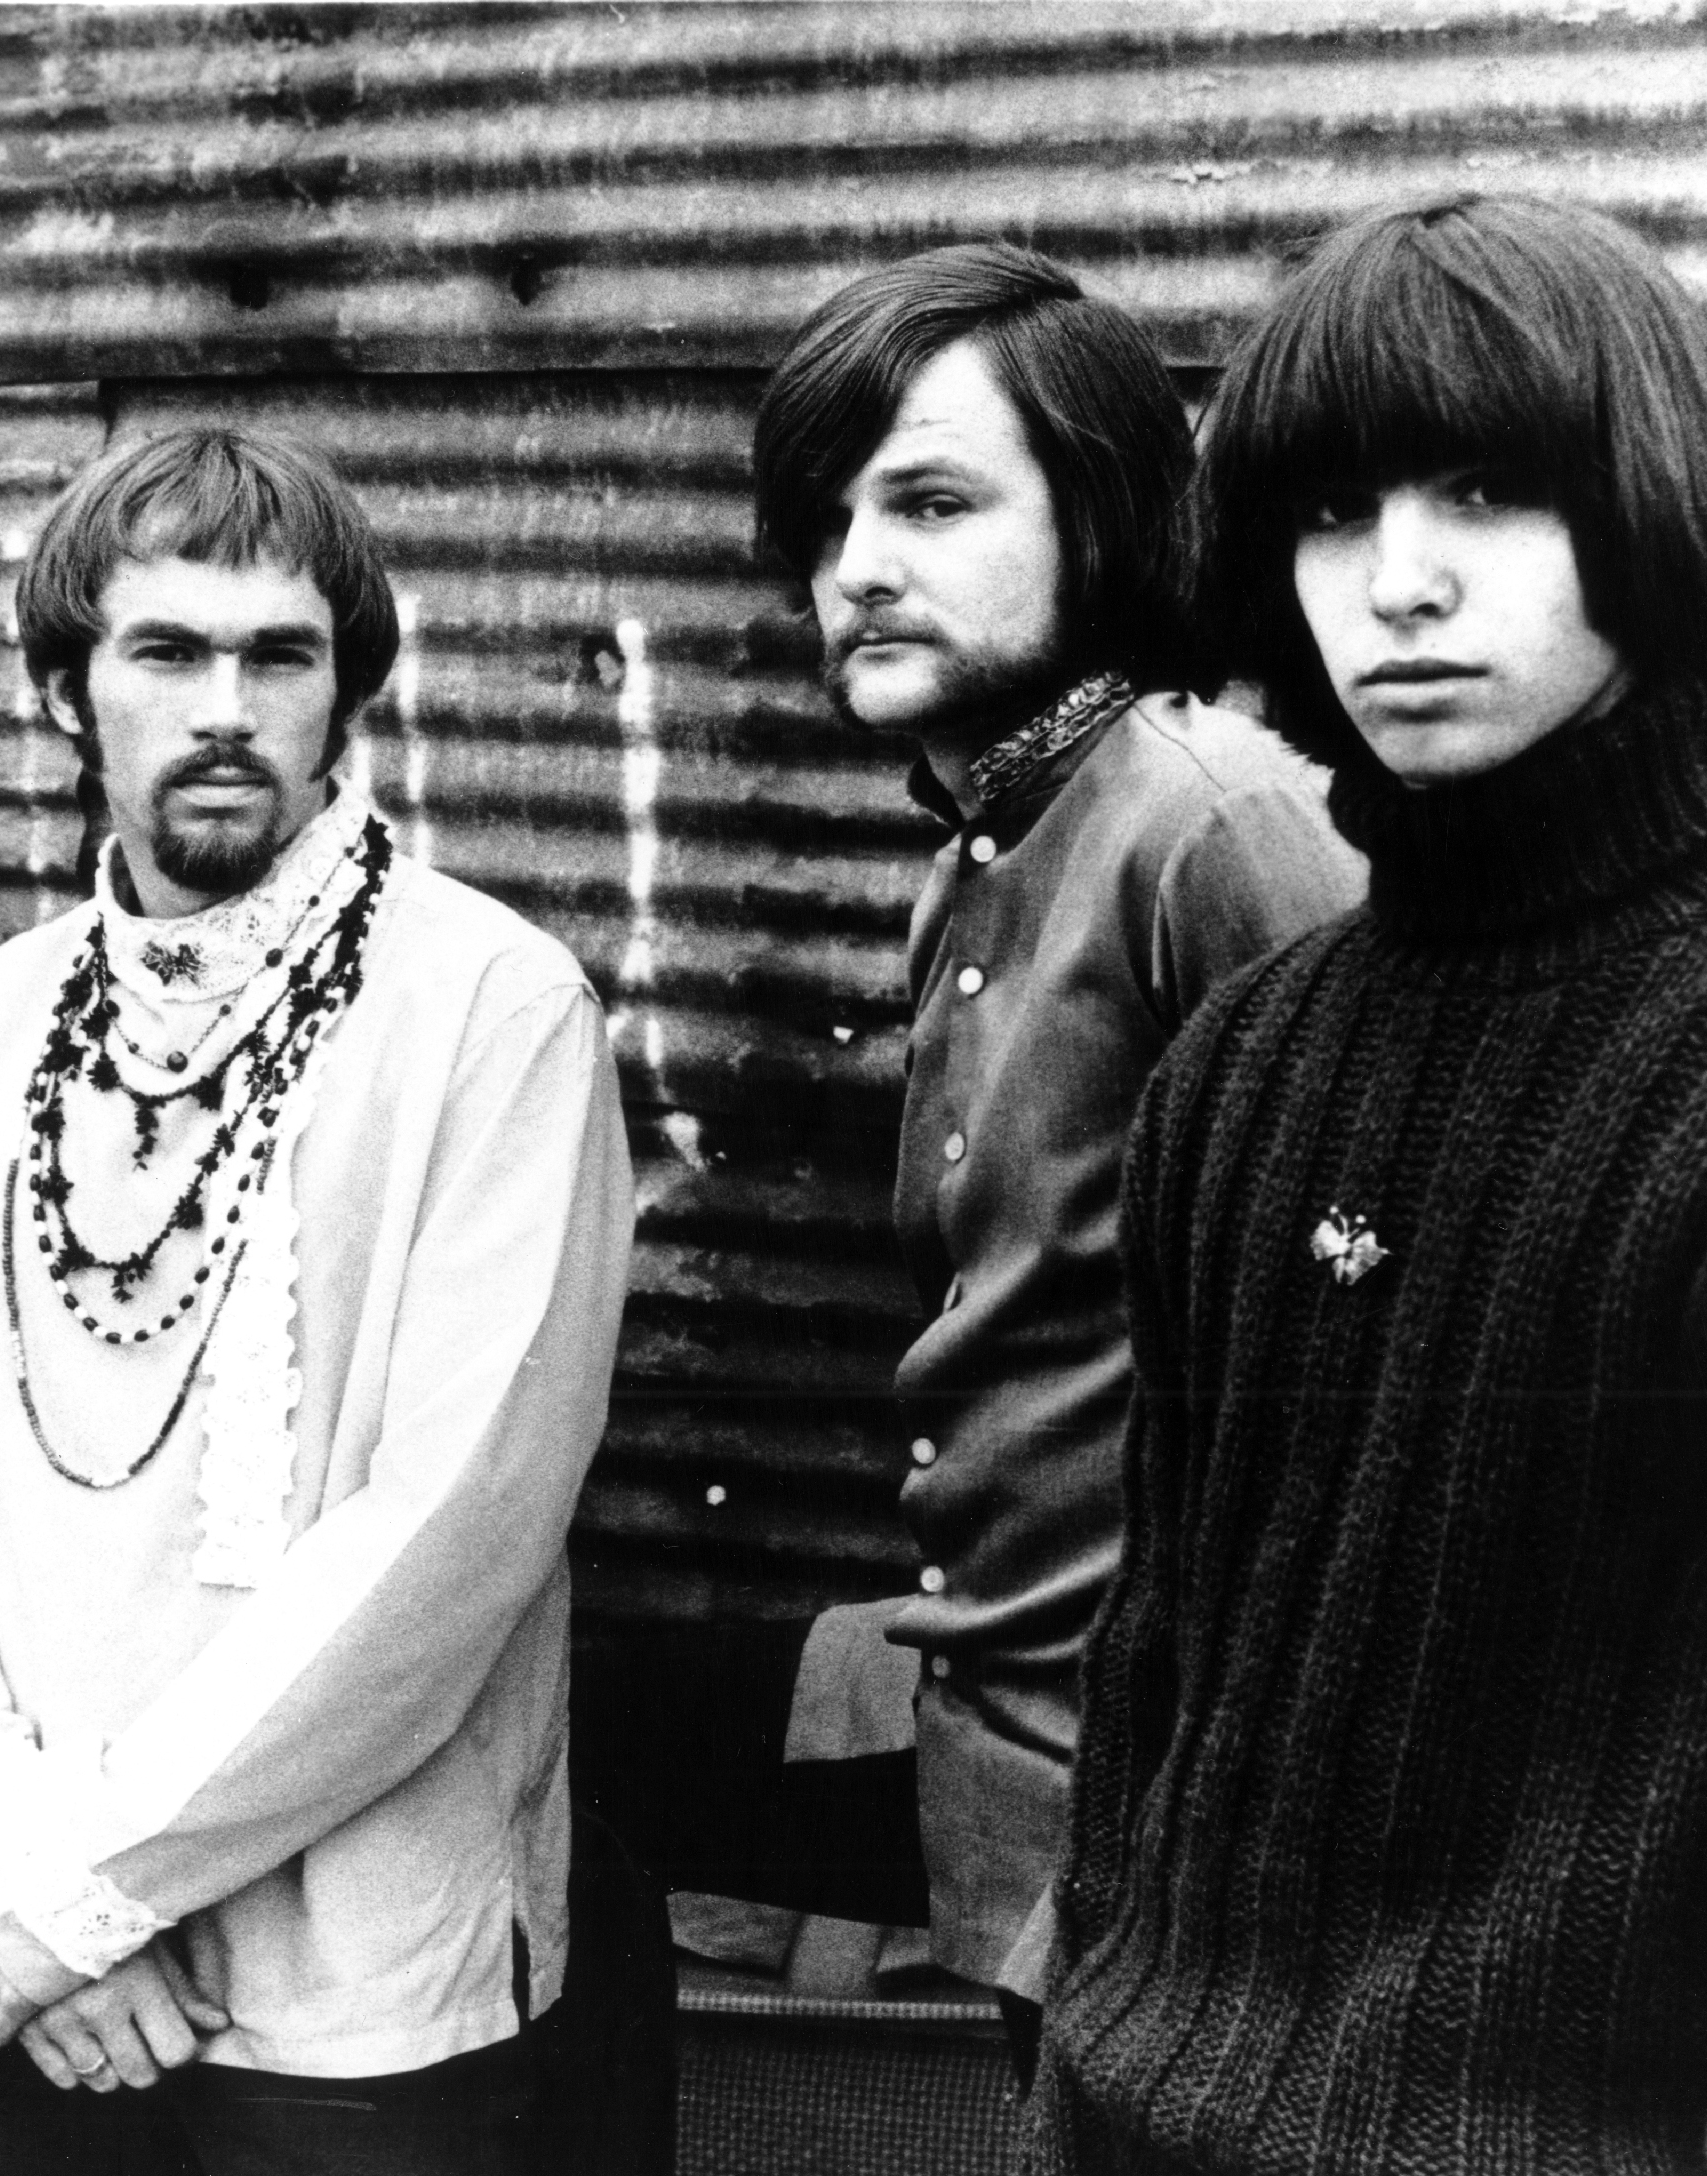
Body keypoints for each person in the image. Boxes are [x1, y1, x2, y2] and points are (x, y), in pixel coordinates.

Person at [1029, 193, 1707, 2175]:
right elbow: (1155, 1701)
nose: (1395, 582)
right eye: (1331, 513)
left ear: (1654, 510)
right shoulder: (1239, 1069)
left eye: (1485, 489)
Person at [0, 425, 636, 2175]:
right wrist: (11, 1862)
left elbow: (448, 1540)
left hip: (360, 2005)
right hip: (34, 1972)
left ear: (346, 696)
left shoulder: (493, 1009)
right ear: (65, 693)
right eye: (165, 651)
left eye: (280, 655)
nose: (227, 707)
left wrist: (84, 1890)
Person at [585, 242, 1358, 2064]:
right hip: (985, 1691)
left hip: (1153, 1780)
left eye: (930, 501)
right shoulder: (986, 850)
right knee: (510, 1739)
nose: (855, 568)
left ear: (1094, 519)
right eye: (831, 518)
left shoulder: (1211, 824)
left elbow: (1385, 1340)